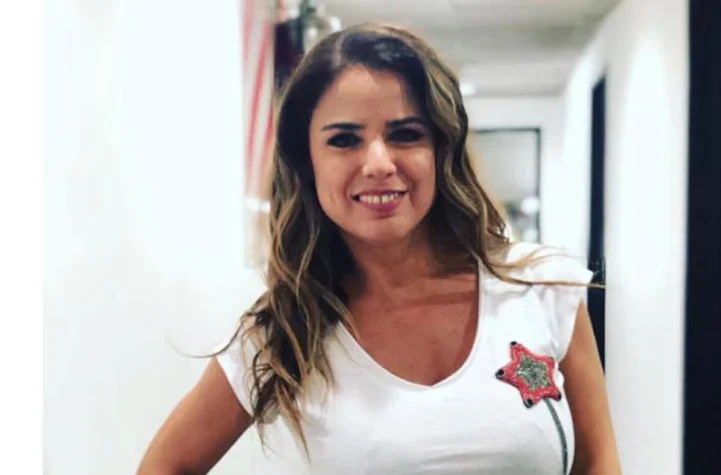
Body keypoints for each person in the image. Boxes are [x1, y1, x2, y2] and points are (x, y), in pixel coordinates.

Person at [137, 23, 621, 475]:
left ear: (441, 150)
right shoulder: (286, 329)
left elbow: (598, 463)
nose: (378, 163)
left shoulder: (541, 287)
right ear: (307, 162)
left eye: (405, 135)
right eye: (344, 140)